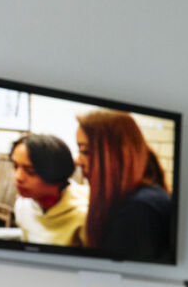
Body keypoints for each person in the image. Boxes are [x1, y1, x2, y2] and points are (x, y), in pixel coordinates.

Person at [74, 109, 173, 261]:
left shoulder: (140, 209)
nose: (77, 161)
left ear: (114, 155)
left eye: (85, 151)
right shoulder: (142, 200)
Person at [9, 133, 88, 245]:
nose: (18, 177)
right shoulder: (22, 205)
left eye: (31, 171)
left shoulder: (83, 215)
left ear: (56, 173)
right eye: (15, 166)